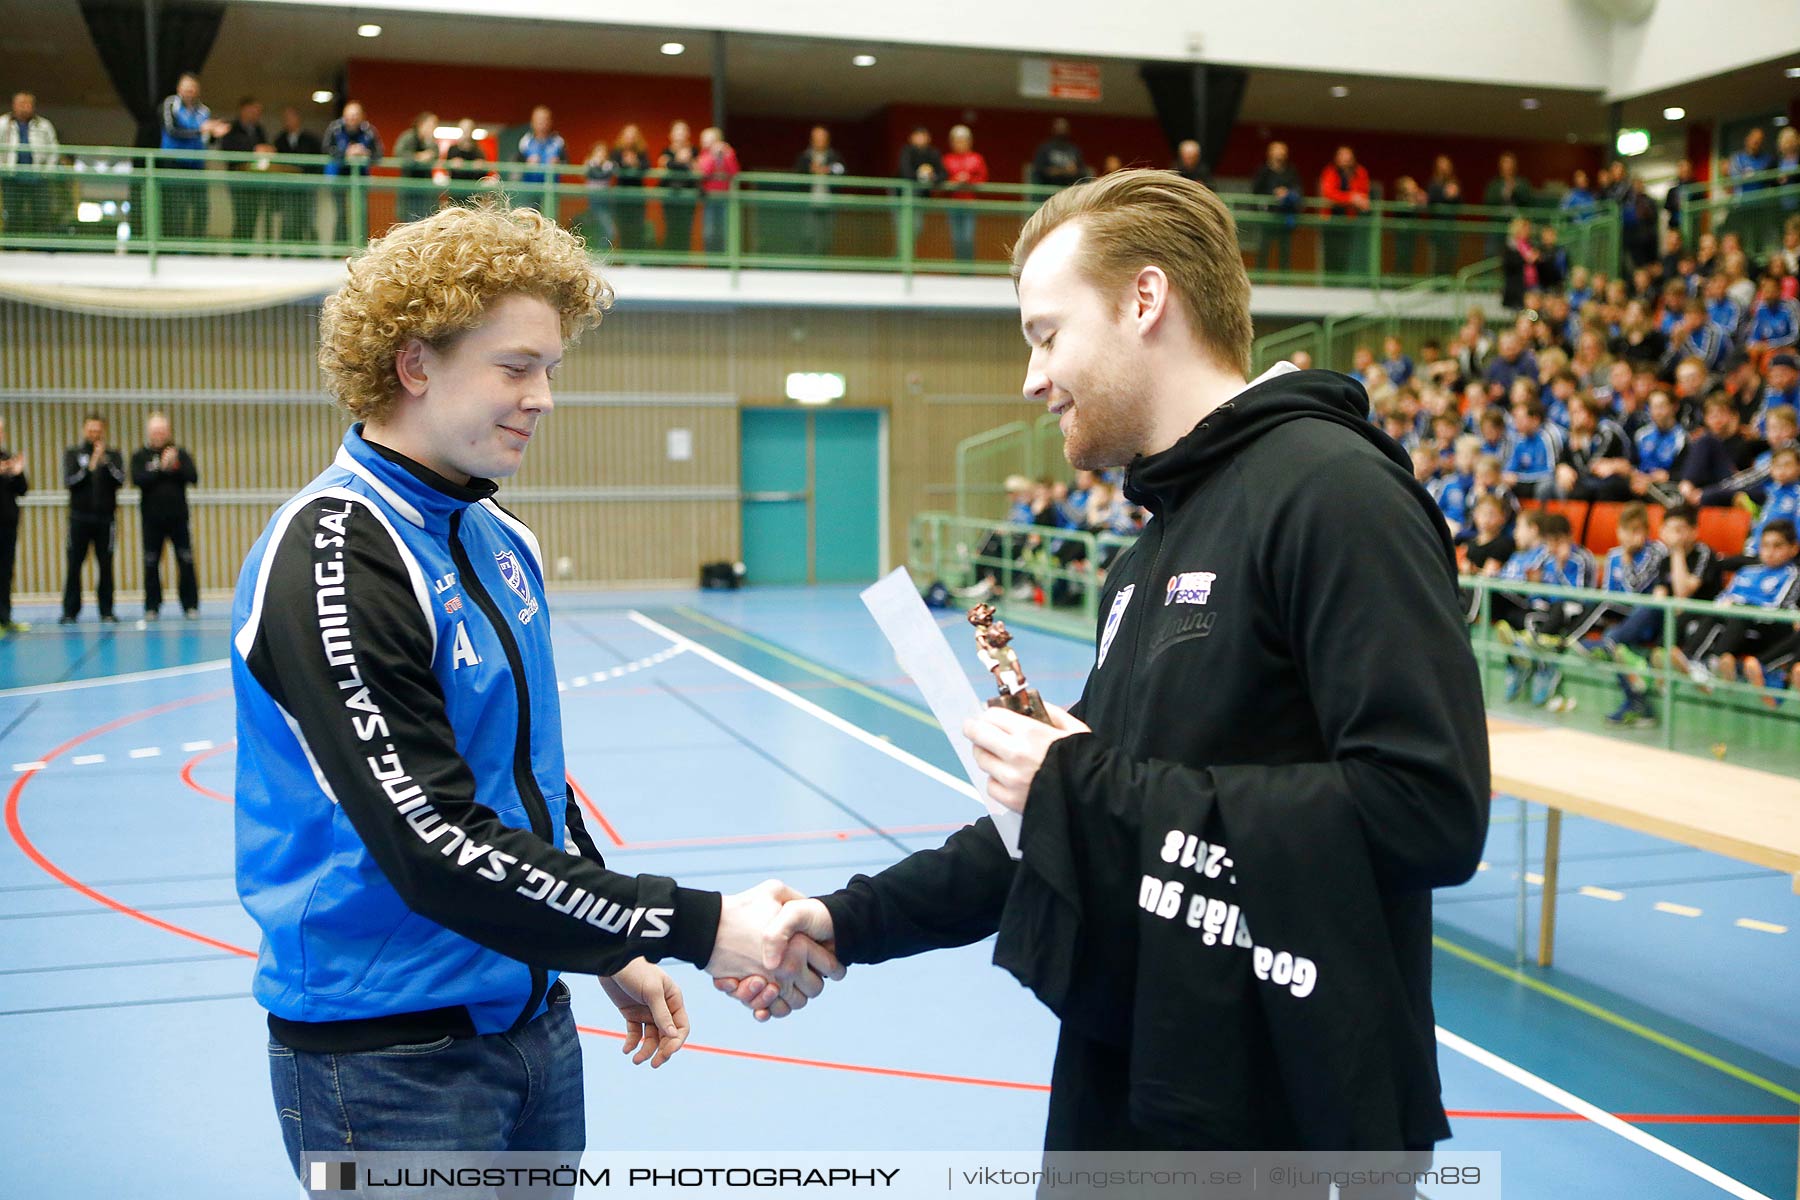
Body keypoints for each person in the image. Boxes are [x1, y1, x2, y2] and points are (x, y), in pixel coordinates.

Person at [731, 169, 1491, 1155]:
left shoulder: (1333, 492)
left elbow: (1427, 810)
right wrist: (846, 921)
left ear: (1144, 300)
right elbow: (1068, 817)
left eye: (1047, 334)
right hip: (1148, 1075)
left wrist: (1095, 785)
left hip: (1284, 1124)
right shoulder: (1152, 548)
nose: (1032, 379)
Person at [233, 201, 841, 1179]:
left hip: (531, 1026)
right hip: (390, 1061)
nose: (543, 397)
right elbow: (434, 847)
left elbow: (530, 787)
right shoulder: (337, 556)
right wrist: (697, 925)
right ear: (414, 362)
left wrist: (602, 950)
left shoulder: (497, 541)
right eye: (516, 367)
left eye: (550, 370)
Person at [130, 413, 199, 620]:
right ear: (149, 433)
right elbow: (138, 479)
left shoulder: (180, 454)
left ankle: (190, 605)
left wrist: (174, 466)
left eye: (162, 431)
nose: (159, 435)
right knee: (151, 564)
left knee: (185, 561)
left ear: (168, 432)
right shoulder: (140, 456)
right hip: (152, 520)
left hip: (178, 519)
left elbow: (193, 477)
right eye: (155, 431)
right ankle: (152, 606)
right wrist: (161, 467)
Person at [60, 412, 125, 624]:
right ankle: (70, 611)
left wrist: (104, 462)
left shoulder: (113, 455)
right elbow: (71, 481)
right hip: (79, 519)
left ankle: (106, 610)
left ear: (103, 431)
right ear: (84, 430)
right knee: (74, 564)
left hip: (105, 520)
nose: (94, 433)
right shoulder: (73, 453)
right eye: (90, 429)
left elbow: (120, 479)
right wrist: (91, 465)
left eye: (98, 430)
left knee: (105, 565)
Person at [158, 73, 231, 241]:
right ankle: (173, 245)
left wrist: (214, 133)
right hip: (174, 162)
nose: (189, 91)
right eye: (186, 87)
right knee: (177, 208)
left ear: (197, 90)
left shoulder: (204, 111)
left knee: (201, 207)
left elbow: (207, 139)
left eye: (193, 88)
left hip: (196, 164)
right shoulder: (171, 104)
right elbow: (172, 130)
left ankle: (196, 246)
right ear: (179, 89)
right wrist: (201, 130)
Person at [1, 91, 60, 237]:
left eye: (29, 104)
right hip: (12, 178)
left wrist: (47, 172)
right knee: (13, 215)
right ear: (14, 105)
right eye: (22, 104)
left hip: (38, 178)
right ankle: (12, 250)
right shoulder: (3, 124)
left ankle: (40, 250)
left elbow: (54, 150)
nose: (25, 107)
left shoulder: (44, 125)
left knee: (41, 215)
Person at [323, 101, 383, 245]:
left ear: (362, 116)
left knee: (361, 213)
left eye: (355, 115)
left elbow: (378, 154)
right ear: (344, 116)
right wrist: (346, 153)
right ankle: (339, 248)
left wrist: (365, 153)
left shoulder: (369, 130)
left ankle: (362, 248)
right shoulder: (335, 128)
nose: (352, 118)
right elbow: (326, 148)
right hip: (338, 176)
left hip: (361, 177)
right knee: (341, 214)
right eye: (349, 115)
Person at [216, 96, 274, 243]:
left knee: (253, 217)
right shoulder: (232, 128)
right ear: (243, 109)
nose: (256, 114)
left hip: (256, 179)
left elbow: (264, 147)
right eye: (253, 111)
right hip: (238, 180)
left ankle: (246, 250)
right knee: (242, 216)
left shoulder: (259, 130)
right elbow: (228, 148)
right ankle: (238, 252)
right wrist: (253, 149)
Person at [268, 107, 323, 246]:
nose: (288, 121)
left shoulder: (311, 139)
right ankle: (287, 253)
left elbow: (319, 163)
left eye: (291, 118)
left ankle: (311, 253)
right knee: (288, 220)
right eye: (285, 119)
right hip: (288, 188)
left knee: (309, 220)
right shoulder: (279, 140)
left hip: (308, 187)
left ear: (298, 119)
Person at [793, 125, 846, 257]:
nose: (820, 140)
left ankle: (824, 263)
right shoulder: (805, 157)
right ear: (812, 140)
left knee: (827, 236)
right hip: (808, 203)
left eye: (822, 138)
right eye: (817, 138)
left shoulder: (834, 156)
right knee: (808, 234)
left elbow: (841, 170)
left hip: (829, 202)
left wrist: (828, 170)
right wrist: (811, 170)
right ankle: (808, 263)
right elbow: (797, 174)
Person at [1318, 144, 1371, 277]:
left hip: (1351, 221)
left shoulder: (1360, 172)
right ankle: (1329, 283)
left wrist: (1355, 199)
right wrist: (1351, 198)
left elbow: (1363, 195)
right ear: (1337, 158)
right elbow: (1329, 193)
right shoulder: (1330, 172)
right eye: (1342, 155)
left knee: (1348, 255)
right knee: (1331, 256)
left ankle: (1343, 284)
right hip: (1331, 221)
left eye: (1348, 155)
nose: (1346, 159)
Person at [1249, 140, 1301, 272]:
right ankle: (1260, 281)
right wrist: (1272, 194)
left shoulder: (1291, 171)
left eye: (1282, 151)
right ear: (1270, 153)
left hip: (1284, 219)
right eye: (1276, 151)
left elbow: (1298, 190)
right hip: (1267, 218)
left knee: (1285, 252)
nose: (1279, 154)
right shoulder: (1263, 171)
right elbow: (1255, 192)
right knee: (1263, 250)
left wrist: (1287, 193)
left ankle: (1285, 283)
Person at [941, 124, 989, 263]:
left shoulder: (976, 158)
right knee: (956, 238)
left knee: (968, 237)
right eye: (957, 140)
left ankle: (968, 266)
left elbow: (983, 178)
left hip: (969, 203)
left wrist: (969, 179)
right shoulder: (947, 159)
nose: (960, 143)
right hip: (953, 203)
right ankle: (959, 266)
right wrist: (955, 181)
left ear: (969, 141)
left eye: (963, 140)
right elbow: (942, 180)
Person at [895, 125, 944, 248]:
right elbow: (905, 171)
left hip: (920, 197)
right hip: (901, 196)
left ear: (928, 138)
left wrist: (933, 177)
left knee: (917, 227)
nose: (920, 139)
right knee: (903, 229)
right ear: (911, 138)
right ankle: (902, 262)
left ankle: (906, 259)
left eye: (923, 136)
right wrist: (921, 176)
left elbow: (943, 173)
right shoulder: (906, 151)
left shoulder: (933, 153)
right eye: (917, 136)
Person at [695, 126, 740, 256]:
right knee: (709, 232)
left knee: (725, 231)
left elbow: (734, 172)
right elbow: (704, 173)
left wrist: (726, 155)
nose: (703, 141)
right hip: (709, 198)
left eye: (707, 139)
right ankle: (711, 260)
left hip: (725, 198)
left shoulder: (728, 153)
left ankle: (726, 260)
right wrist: (713, 157)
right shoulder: (703, 155)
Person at [391, 111, 442, 223]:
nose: (432, 128)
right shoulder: (408, 137)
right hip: (408, 190)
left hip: (425, 192)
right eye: (430, 125)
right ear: (421, 124)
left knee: (426, 221)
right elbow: (399, 154)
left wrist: (430, 154)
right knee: (408, 222)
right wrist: (417, 157)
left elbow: (436, 154)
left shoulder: (432, 142)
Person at [0, 416, 25, 633]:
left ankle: (5, 618)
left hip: (7, 524)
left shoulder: (7, 457)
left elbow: (23, 489)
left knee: (5, 572)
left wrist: (16, 474)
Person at [611, 124, 650, 252]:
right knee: (623, 226)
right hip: (621, 194)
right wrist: (625, 163)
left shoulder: (641, 152)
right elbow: (613, 167)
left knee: (637, 226)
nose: (630, 139)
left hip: (638, 195)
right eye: (628, 135)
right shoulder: (617, 151)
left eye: (633, 136)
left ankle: (636, 255)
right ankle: (625, 253)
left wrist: (636, 163)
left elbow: (646, 166)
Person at [1425, 154, 1463, 275]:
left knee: (1450, 257)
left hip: (1451, 228)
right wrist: (1445, 194)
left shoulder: (1455, 184)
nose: (1443, 168)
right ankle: (1435, 284)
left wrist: (1455, 194)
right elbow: (1431, 200)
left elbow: (1460, 203)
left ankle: (1447, 283)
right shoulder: (1433, 184)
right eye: (1441, 165)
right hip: (1436, 228)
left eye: (1446, 165)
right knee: (1436, 258)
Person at [1029, 117, 1086, 190]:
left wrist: (1069, 171)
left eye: (1064, 127)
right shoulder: (1045, 148)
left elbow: (1082, 172)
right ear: (1053, 129)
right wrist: (1063, 171)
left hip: (1069, 190)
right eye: (1059, 127)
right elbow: (1038, 170)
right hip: (1047, 191)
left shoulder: (1074, 149)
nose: (1061, 129)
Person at [581, 140, 617, 248]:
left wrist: (604, 166)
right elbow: (589, 173)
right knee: (598, 229)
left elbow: (613, 172)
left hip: (607, 202)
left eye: (603, 153)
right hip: (593, 202)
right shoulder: (589, 164)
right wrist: (595, 164)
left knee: (609, 231)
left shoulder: (610, 165)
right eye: (598, 152)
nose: (601, 155)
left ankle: (602, 254)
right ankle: (596, 254)